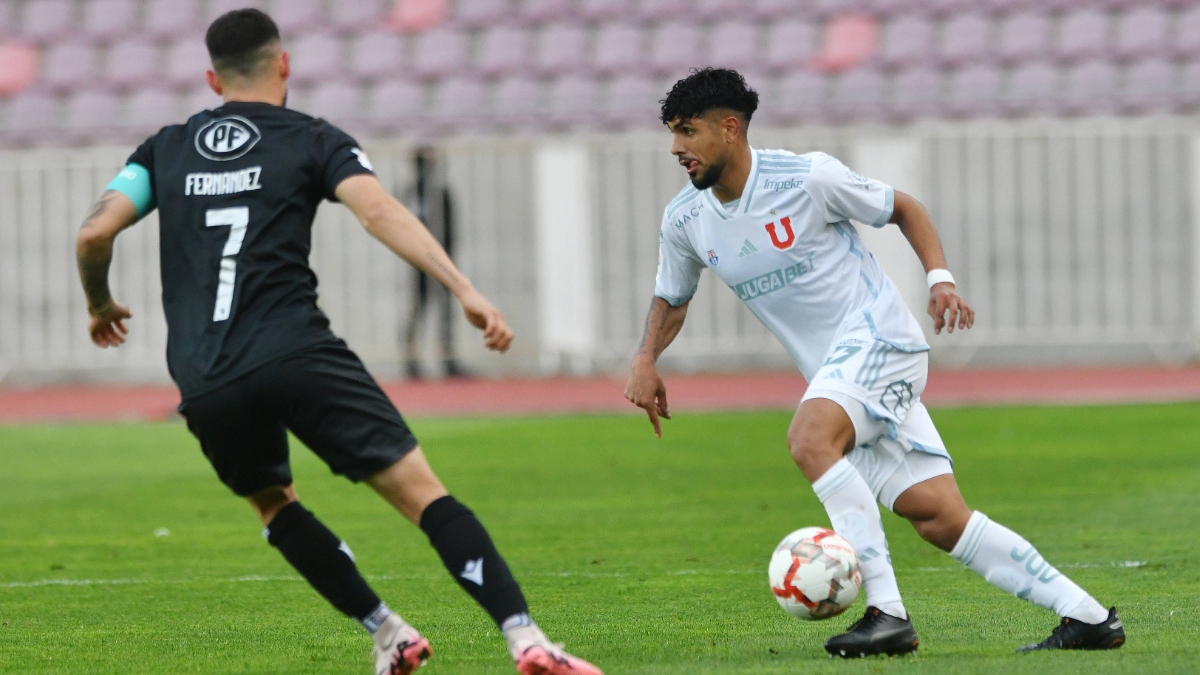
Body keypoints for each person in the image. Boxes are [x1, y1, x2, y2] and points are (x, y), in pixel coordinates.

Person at [75, 10, 602, 675]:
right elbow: (378, 209)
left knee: (273, 505)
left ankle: (388, 632)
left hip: (205, 373)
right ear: (284, 64)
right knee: (422, 493)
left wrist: (99, 304)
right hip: (296, 350)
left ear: (213, 79)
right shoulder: (312, 138)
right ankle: (526, 639)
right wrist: (465, 290)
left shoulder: (165, 148)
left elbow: (93, 236)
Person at [624, 68, 1125, 658]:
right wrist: (646, 358)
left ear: (730, 129)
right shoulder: (686, 219)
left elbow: (903, 207)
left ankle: (887, 614)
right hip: (841, 375)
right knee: (939, 517)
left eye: (687, 132)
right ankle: (1089, 618)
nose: (676, 148)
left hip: (881, 341)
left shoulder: (807, 176)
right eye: (673, 134)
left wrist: (940, 280)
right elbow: (672, 297)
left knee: (811, 440)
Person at [399, 146, 464, 379]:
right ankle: (411, 360)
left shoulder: (441, 192)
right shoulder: (411, 192)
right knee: (418, 309)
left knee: (444, 310)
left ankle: (448, 359)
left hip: (442, 263)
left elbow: (451, 230)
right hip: (419, 263)